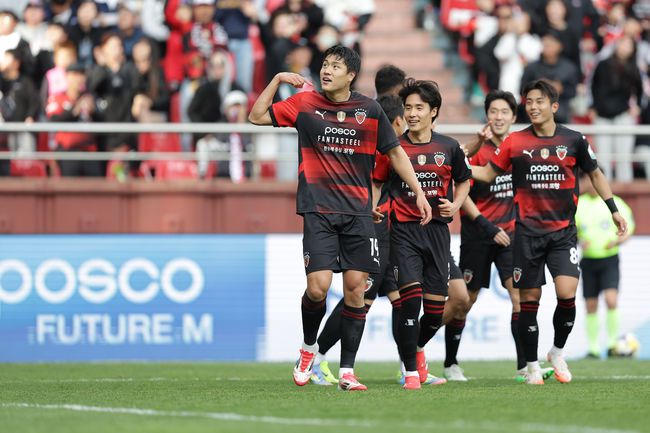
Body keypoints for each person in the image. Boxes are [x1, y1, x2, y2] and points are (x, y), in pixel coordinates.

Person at [248, 45, 432, 391]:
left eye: (335, 66)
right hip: (318, 210)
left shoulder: (370, 110)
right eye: (325, 65)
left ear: (351, 75)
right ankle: (308, 348)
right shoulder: (304, 104)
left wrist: (419, 191)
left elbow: (395, 153)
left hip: (358, 213)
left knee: (355, 290)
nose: (327, 71)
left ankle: (347, 370)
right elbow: (256, 117)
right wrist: (277, 80)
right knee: (317, 288)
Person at [471, 79, 627, 385]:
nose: (533, 107)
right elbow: (487, 173)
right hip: (527, 235)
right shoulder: (515, 142)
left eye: (539, 101)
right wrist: (454, 166)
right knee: (529, 301)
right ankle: (531, 366)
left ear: (554, 106)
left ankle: (556, 351)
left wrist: (614, 209)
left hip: (562, 233)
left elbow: (595, 173)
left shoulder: (574, 140)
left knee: (567, 295)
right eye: (528, 102)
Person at [448, 90, 552, 383]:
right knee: (465, 301)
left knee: (519, 297)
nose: (498, 117)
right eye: (493, 111)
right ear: (486, 115)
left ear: (514, 117)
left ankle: (524, 366)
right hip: (479, 235)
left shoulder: (519, 148)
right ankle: (449, 363)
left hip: (510, 236)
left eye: (504, 112)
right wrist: (486, 227)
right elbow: (461, 192)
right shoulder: (476, 150)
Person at [374, 78, 471, 390]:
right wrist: (373, 206)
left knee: (433, 312)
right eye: (408, 108)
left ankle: (414, 350)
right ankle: (411, 373)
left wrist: (456, 204)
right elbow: (377, 182)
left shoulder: (449, 147)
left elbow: (464, 180)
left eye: (419, 107)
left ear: (434, 111)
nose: (412, 113)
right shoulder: (393, 148)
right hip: (403, 232)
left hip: (438, 234)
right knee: (410, 301)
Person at [575, 172, 635, 358]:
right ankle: (593, 348)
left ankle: (612, 345)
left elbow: (629, 228)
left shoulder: (615, 203)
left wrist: (617, 241)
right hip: (588, 260)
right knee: (591, 304)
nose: (587, 183)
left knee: (611, 300)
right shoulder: (579, 204)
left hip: (609, 258)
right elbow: (570, 230)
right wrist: (579, 240)